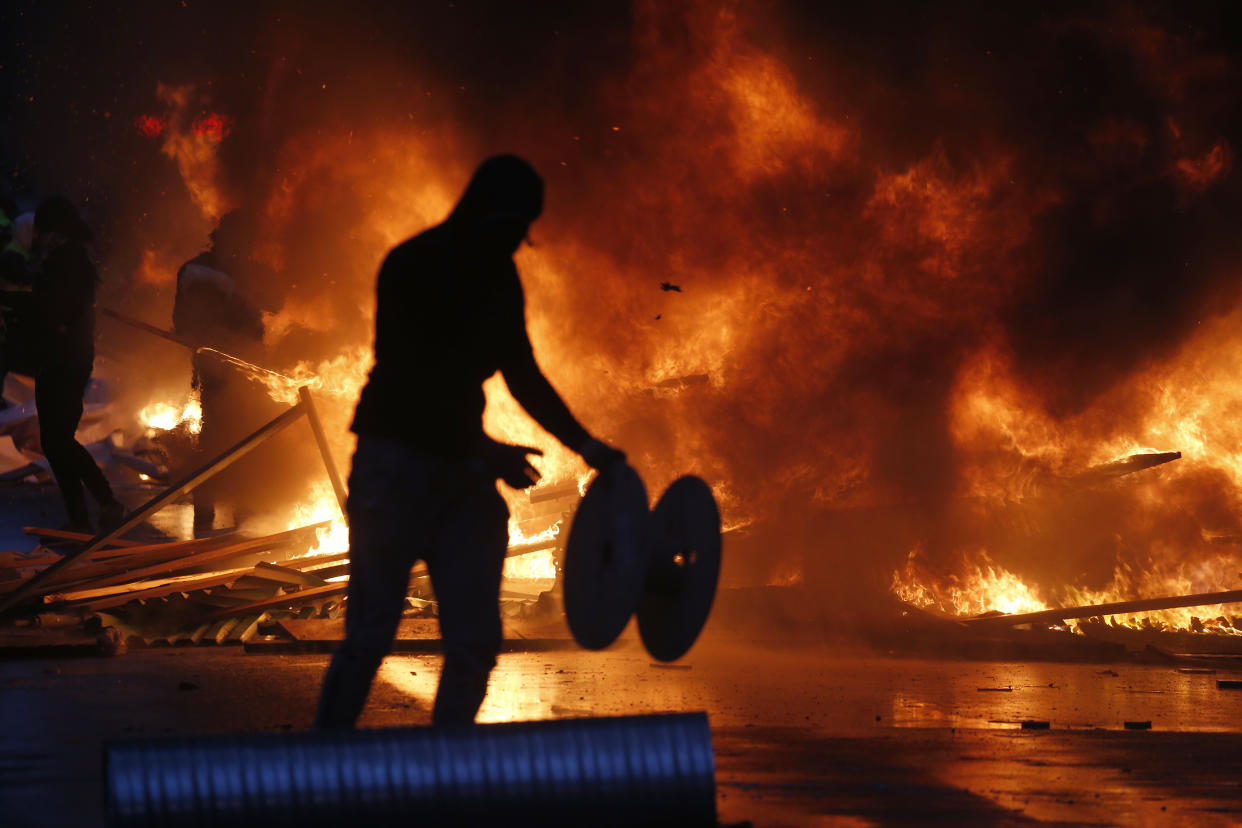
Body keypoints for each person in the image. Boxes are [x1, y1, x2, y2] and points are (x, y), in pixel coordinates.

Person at [315, 155, 624, 728]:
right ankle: (317, 775)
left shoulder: (497, 276)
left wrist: (588, 446)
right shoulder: (413, 265)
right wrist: (484, 451)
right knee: (369, 636)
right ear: (486, 213)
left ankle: (443, 772)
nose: (516, 242)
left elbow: (522, 371)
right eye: (512, 227)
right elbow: (413, 382)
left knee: (475, 642)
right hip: (396, 463)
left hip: (458, 475)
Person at [30, 196, 124, 533]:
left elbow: (56, 310)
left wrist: (49, 332)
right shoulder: (71, 257)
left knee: (57, 440)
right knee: (57, 440)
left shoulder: (65, 260)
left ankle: (101, 504)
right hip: (65, 357)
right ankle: (86, 513)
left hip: (62, 359)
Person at [173, 209, 266, 536]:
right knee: (241, 437)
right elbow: (255, 324)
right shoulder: (233, 275)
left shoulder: (196, 270)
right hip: (229, 372)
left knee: (218, 437)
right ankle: (236, 511)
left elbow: (180, 323)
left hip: (225, 370)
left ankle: (213, 510)